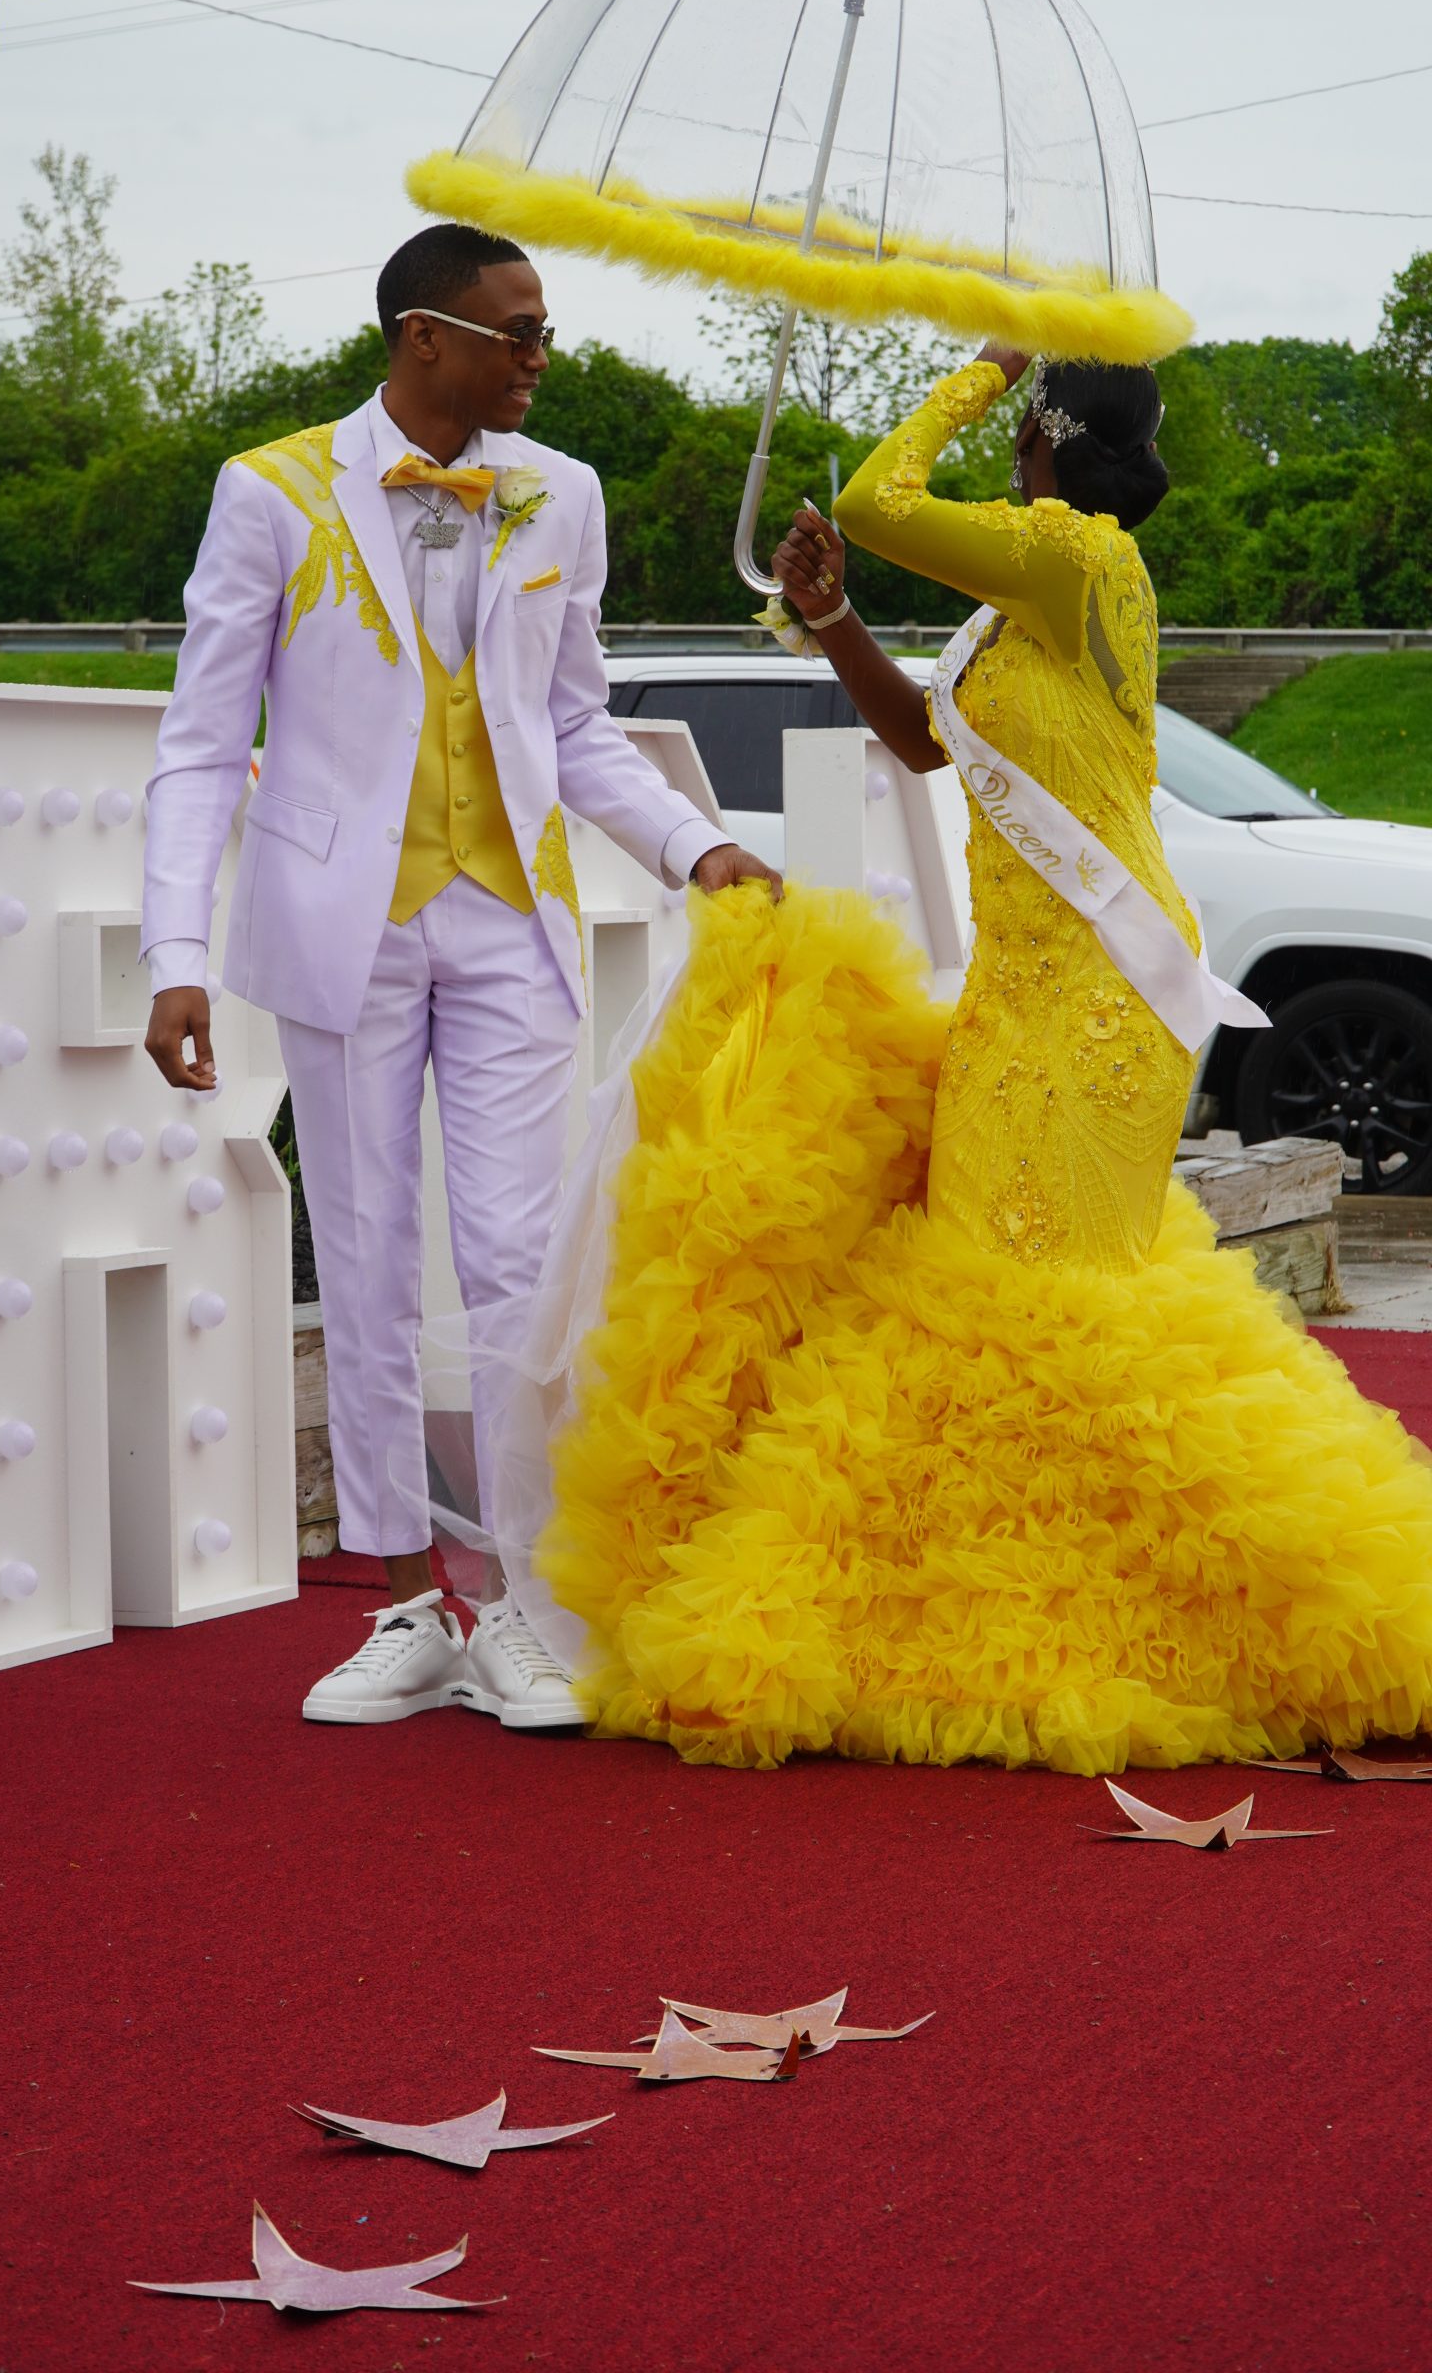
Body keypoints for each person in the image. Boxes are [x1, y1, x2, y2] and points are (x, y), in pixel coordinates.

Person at [525, 346, 1432, 1773]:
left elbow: (881, 500)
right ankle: (1048, 1600)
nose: (1010, 439)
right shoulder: (1022, 605)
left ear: (1047, 432)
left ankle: (1211, 1612)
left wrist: (977, 365)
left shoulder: (1082, 559)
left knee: (1032, 1302)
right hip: (1022, 994)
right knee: (1007, 1299)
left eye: (1021, 417)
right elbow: (925, 746)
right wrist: (834, 622)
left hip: (1095, 1002)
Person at [141, 223, 775, 1730]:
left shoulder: (566, 492)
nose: (543, 356)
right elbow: (199, 739)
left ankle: (522, 1609)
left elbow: (575, 721)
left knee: (513, 1260)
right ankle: (405, 1605)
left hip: (510, 916)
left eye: (543, 330)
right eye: (520, 331)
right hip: (337, 920)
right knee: (364, 1260)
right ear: (425, 336)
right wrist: (175, 953)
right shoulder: (271, 489)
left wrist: (693, 846)